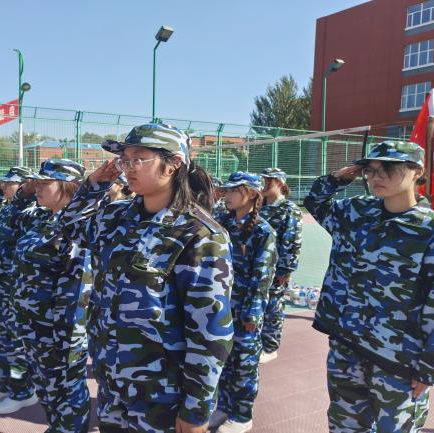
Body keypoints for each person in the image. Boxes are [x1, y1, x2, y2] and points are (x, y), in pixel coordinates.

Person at [60, 123, 234, 433]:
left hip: (162, 398)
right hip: (112, 386)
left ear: (173, 164)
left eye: (139, 158)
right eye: (124, 159)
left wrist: (196, 410)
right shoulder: (114, 218)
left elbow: (210, 332)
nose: (128, 167)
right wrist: (94, 185)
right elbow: (71, 226)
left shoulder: (200, 234)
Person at [304, 141, 434, 432]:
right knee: (343, 425)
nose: (377, 177)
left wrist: (429, 366)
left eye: (389, 168)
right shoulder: (357, 211)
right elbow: (316, 204)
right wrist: (338, 179)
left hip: (398, 358)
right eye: (371, 170)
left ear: (417, 172)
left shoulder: (427, 229)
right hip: (346, 346)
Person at [12, 159, 91, 433]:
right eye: (37, 182)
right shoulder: (42, 218)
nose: (38, 187)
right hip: (33, 326)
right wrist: (24, 192)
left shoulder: (78, 227)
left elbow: (78, 289)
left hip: (58, 332)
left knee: (67, 391)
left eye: (45, 183)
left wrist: (68, 342)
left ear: (68, 187)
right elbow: (11, 217)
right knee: (47, 390)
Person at [212, 171, 277, 433]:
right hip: (220, 306)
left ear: (250, 194)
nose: (227, 195)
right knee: (223, 361)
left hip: (244, 310)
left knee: (244, 364)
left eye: (233, 191)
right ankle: (224, 406)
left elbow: (262, 277)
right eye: (226, 190)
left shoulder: (263, 231)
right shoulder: (222, 222)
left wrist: (252, 314)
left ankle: (241, 415)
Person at [0, 167, 39, 413]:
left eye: (11, 183)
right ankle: (8, 382)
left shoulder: (33, 214)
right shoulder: (9, 209)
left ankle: (23, 390)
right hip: (4, 286)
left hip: (17, 290)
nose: (5, 186)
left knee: (15, 344)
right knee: (4, 341)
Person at [258, 168, 302, 364]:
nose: (264, 184)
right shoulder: (259, 205)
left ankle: (270, 347)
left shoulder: (289, 209)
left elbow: (292, 241)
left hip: (276, 267)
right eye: (263, 180)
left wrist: (286, 269)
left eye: (269, 180)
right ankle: (258, 342)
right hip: (258, 265)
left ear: (280, 183)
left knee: (273, 306)